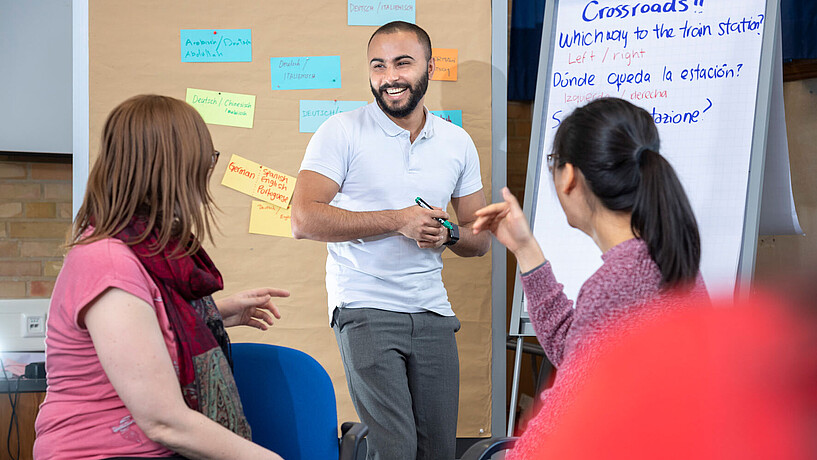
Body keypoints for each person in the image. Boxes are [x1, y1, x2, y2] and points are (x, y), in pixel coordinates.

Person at [34, 95, 289, 460]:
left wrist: (217, 313)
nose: (208, 172)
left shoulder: (140, 252)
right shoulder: (107, 261)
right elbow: (163, 422)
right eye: (207, 159)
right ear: (174, 168)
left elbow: (145, 327)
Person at [290, 21, 491, 460]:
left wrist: (448, 232)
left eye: (403, 62)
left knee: (437, 450)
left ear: (430, 68)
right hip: (364, 306)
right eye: (378, 65)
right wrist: (397, 220)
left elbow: (478, 238)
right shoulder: (340, 131)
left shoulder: (457, 142)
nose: (389, 76)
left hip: (432, 310)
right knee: (395, 449)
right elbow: (304, 218)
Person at [472, 97, 708, 455]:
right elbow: (578, 354)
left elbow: (562, 424)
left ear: (569, 176)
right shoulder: (664, 260)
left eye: (553, 162)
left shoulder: (618, 283)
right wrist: (525, 250)